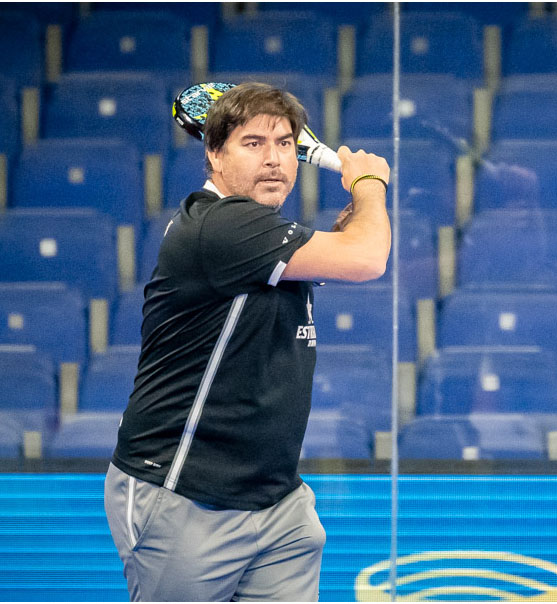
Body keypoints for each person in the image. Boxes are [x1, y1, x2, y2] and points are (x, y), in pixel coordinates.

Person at [104, 82, 391, 602]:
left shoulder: (259, 234)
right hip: (184, 495)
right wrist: (369, 182)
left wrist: (348, 230)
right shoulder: (219, 224)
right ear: (214, 154)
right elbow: (367, 258)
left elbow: (343, 253)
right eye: (253, 143)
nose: (274, 158)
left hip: (276, 502)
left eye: (284, 143)